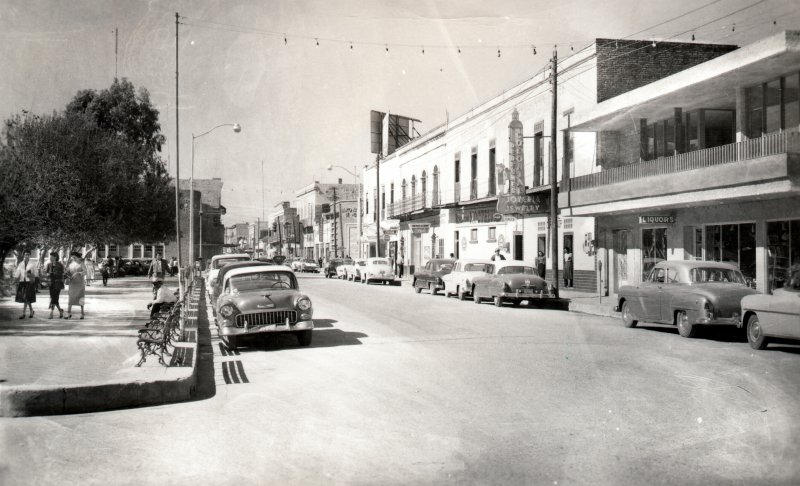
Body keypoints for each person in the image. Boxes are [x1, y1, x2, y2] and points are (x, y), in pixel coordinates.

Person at [14, 250, 38, 319]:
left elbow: (36, 273)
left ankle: (24, 313)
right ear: (23, 255)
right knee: (26, 298)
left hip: (29, 282)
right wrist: (15, 279)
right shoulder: (21, 264)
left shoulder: (33, 263)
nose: (26, 256)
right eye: (25, 254)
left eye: (28, 254)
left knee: (26, 297)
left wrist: (31, 275)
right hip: (22, 283)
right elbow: (17, 273)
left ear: (30, 255)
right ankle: (31, 311)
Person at [44, 252, 65, 319]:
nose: (50, 258)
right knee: (54, 298)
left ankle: (51, 313)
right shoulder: (49, 264)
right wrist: (48, 275)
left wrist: (55, 274)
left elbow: (62, 274)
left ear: (55, 257)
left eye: (51, 256)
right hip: (51, 283)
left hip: (58, 283)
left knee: (54, 298)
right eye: (50, 257)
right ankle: (60, 311)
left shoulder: (60, 265)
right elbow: (47, 273)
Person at [65, 252, 86, 319]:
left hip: (80, 283)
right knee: (71, 297)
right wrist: (66, 273)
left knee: (81, 298)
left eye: (75, 257)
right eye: (72, 257)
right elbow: (67, 272)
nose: (73, 258)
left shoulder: (81, 264)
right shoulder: (71, 264)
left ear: (78, 257)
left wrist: (78, 273)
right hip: (72, 283)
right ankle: (68, 312)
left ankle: (82, 313)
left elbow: (85, 272)